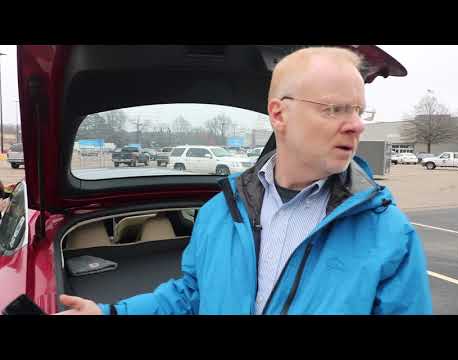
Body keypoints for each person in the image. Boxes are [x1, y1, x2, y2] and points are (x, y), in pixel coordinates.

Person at [56, 47, 432, 315]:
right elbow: (191, 295)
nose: (357, 124)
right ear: (279, 114)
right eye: (335, 108)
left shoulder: (388, 233)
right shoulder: (221, 213)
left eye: (359, 110)